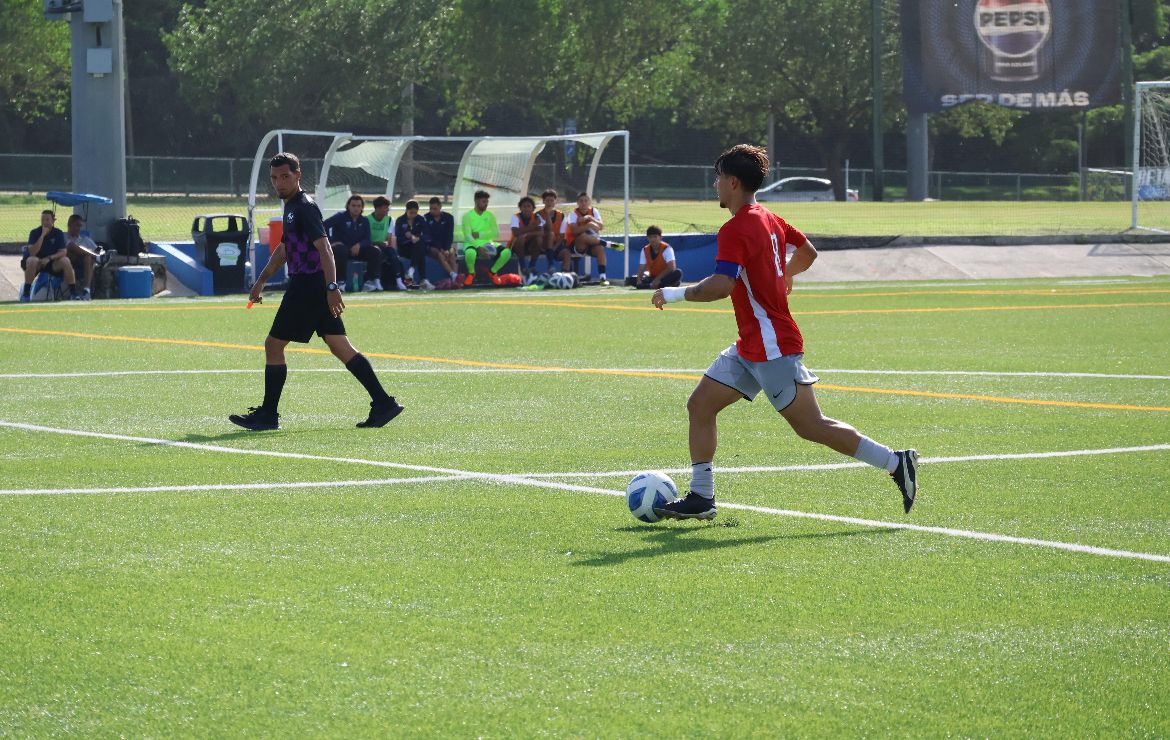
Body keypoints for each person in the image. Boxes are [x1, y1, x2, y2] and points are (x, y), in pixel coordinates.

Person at [651, 144, 917, 520]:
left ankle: (895, 462)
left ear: (732, 182)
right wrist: (785, 275)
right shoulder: (771, 219)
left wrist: (675, 294)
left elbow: (722, 285)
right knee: (700, 404)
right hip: (751, 344)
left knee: (812, 427)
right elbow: (808, 251)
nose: (714, 186)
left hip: (772, 345)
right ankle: (702, 497)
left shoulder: (736, 228)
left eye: (718, 179)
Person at [230, 152, 403, 431]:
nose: (279, 183)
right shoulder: (290, 207)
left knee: (273, 345)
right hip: (313, 285)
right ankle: (384, 403)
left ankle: (268, 415)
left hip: (308, 284)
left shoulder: (304, 207)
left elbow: (325, 249)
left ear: (298, 175)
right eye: (274, 178)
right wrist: (261, 280)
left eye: (285, 177)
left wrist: (332, 287)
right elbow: (285, 248)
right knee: (340, 346)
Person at [324, 194, 383, 292]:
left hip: (358, 250)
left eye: (359, 206)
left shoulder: (364, 221)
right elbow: (323, 226)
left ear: (362, 208)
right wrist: (331, 242)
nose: (356, 208)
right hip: (342, 249)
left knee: (376, 251)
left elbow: (368, 239)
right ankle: (340, 282)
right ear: (348, 206)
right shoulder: (340, 217)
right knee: (340, 249)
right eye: (353, 205)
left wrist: (359, 245)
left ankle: (370, 281)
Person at [20, 210, 81, 301]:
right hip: (37, 263)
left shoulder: (58, 233)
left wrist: (49, 258)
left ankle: (73, 294)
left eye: (47, 220)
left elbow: (63, 251)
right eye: (43, 220)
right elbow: (32, 252)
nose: (45, 222)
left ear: (53, 221)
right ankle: (26, 294)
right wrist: (42, 235)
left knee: (65, 260)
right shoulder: (35, 232)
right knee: (32, 260)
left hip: (52, 262)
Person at [566, 191, 623, 286]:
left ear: (589, 201)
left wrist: (591, 219)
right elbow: (574, 231)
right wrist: (588, 225)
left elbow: (600, 227)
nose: (583, 203)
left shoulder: (594, 211)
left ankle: (603, 278)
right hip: (578, 246)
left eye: (586, 200)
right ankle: (608, 244)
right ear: (577, 202)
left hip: (592, 243)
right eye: (581, 201)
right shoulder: (573, 214)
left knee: (600, 249)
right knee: (583, 236)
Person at [460, 190, 511, 286]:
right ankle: (471, 274)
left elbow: (495, 233)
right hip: (472, 243)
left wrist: (480, 235)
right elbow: (468, 235)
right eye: (484, 201)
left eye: (487, 202)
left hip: (488, 243)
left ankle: (492, 272)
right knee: (470, 253)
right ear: (476, 201)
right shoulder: (467, 216)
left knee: (507, 252)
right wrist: (479, 248)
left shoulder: (490, 215)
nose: (486, 204)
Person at [63, 214, 113, 300]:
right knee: (71, 245)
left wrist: (101, 252)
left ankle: (87, 290)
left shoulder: (85, 239)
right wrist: (96, 256)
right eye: (76, 225)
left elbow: (98, 249)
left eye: (80, 226)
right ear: (69, 225)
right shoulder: (63, 236)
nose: (78, 228)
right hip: (68, 262)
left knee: (88, 257)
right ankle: (97, 258)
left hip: (83, 265)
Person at [367, 196, 405, 291]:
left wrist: (384, 243)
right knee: (377, 252)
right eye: (386, 207)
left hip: (383, 247)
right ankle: (376, 280)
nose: (388, 210)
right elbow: (365, 239)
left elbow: (388, 239)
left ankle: (399, 281)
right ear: (378, 208)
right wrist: (377, 243)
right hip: (370, 247)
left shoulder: (389, 220)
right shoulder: (367, 220)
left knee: (392, 252)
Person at [395, 200, 434, 290]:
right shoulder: (400, 220)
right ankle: (423, 279)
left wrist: (417, 237)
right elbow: (399, 238)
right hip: (405, 249)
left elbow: (427, 235)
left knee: (419, 246)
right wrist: (408, 239)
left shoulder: (420, 219)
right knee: (420, 252)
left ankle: (411, 271)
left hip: (417, 247)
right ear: (406, 210)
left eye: (415, 213)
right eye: (411, 212)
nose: (413, 215)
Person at [629, 225, 682, 289]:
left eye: (655, 237)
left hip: (664, 277)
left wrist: (657, 279)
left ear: (660, 237)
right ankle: (660, 285)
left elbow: (671, 268)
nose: (653, 239)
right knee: (631, 279)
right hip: (652, 277)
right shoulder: (645, 250)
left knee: (678, 273)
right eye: (650, 237)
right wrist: (639, 280)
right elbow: (641, 268)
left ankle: (651, 286)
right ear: (647, 238)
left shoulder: (667, 249)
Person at [423, 196, 459, 283]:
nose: (432, 211)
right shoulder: (425, 218)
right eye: (431, 208)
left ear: (440, 207)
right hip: (432, 246)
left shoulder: (449, 217)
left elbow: (449, 235)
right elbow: (428, 237)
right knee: (440, 254)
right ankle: (453, 275)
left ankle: (455, 278)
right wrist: (441, 249)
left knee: (452, 253)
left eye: (435, 208)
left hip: (446, 246)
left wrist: (446, 248)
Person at [509, 196, 546, 277]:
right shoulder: (515, 217)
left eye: (529, 206)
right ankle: (523, 267)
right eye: (524, 206)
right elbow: (516, 232)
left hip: (530, 245)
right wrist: (533, 227)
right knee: (520, 238)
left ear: (533, 208)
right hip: (516, 246)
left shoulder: (537, 217)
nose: (526, 208)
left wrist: (527, 233)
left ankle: (532, 266)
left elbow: (541, 233)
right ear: (520, 208)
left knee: (539, 239)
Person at [537, 189, 569, 273]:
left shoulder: (561, 215)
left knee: (566, 253)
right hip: (543, 243)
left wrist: (554, 248)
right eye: (547, 200)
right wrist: (547, 214)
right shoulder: (538, 215)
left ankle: (564, 275)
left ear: (555, 201)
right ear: (543, 201)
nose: (550, 203)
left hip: (556, 244)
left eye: (552, 200)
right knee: (550, 234)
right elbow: (541, 232)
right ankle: (550, 265)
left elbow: (562, 235)